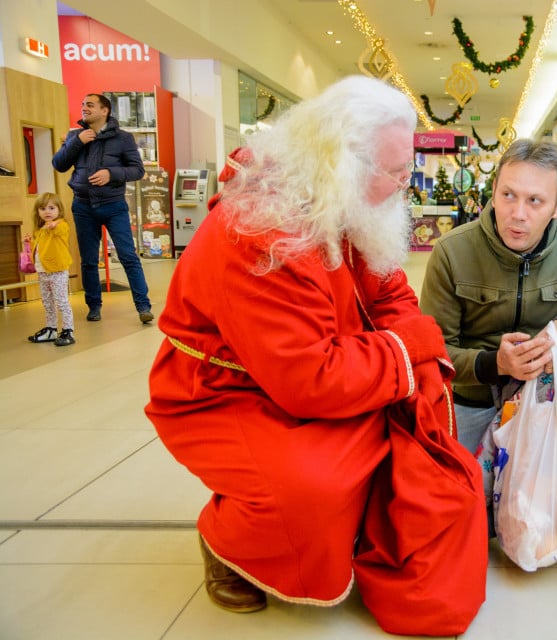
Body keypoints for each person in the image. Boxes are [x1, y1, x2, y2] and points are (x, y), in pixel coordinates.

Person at [144, 76, 487, 637]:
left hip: (311, 373)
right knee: (311, 487)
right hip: (221, 393)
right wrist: (412, 350)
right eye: (396, 172)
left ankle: (343, 535)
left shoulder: (337, 196)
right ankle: (225, 537)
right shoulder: (262, 232)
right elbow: (311, 378)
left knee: (407, 436)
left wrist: (414, 358)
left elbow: (391, 292)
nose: (406, 184)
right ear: (345, 161)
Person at [420, 139, 557, 579]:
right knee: (456, 513)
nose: (518, 214)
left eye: (535, 200)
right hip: (477, 393)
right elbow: (431, 352)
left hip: (552, 395)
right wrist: (493, 364)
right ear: (493, 191)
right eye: (508, 195)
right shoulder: (453, 251)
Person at [52, 93, 152, 324]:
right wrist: (77, 142)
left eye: (89, 105)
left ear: (104, 110)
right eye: (82, 104)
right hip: (83, 206)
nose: (84, 108)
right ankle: (94, 306)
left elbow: (137, 170)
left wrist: (112, 174)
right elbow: (59, 164)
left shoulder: (123, 138)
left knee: (128, 256)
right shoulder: (76, 135)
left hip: (113, 205)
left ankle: (143, 306)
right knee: (88, 260)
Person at [25, 192, 75, 347]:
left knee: (61, 301)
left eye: (51, 208)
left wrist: (55, 226)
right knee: (47, 302)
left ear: (59, 210)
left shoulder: (61, 226)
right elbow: (40, 250)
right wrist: (29, 242)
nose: (47, 212)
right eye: (43, 208)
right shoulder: (40, 230)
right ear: (38, 212)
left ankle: (68, 330)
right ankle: (51, 329)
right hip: (43, 272)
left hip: (58, 271)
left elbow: (61, 232)